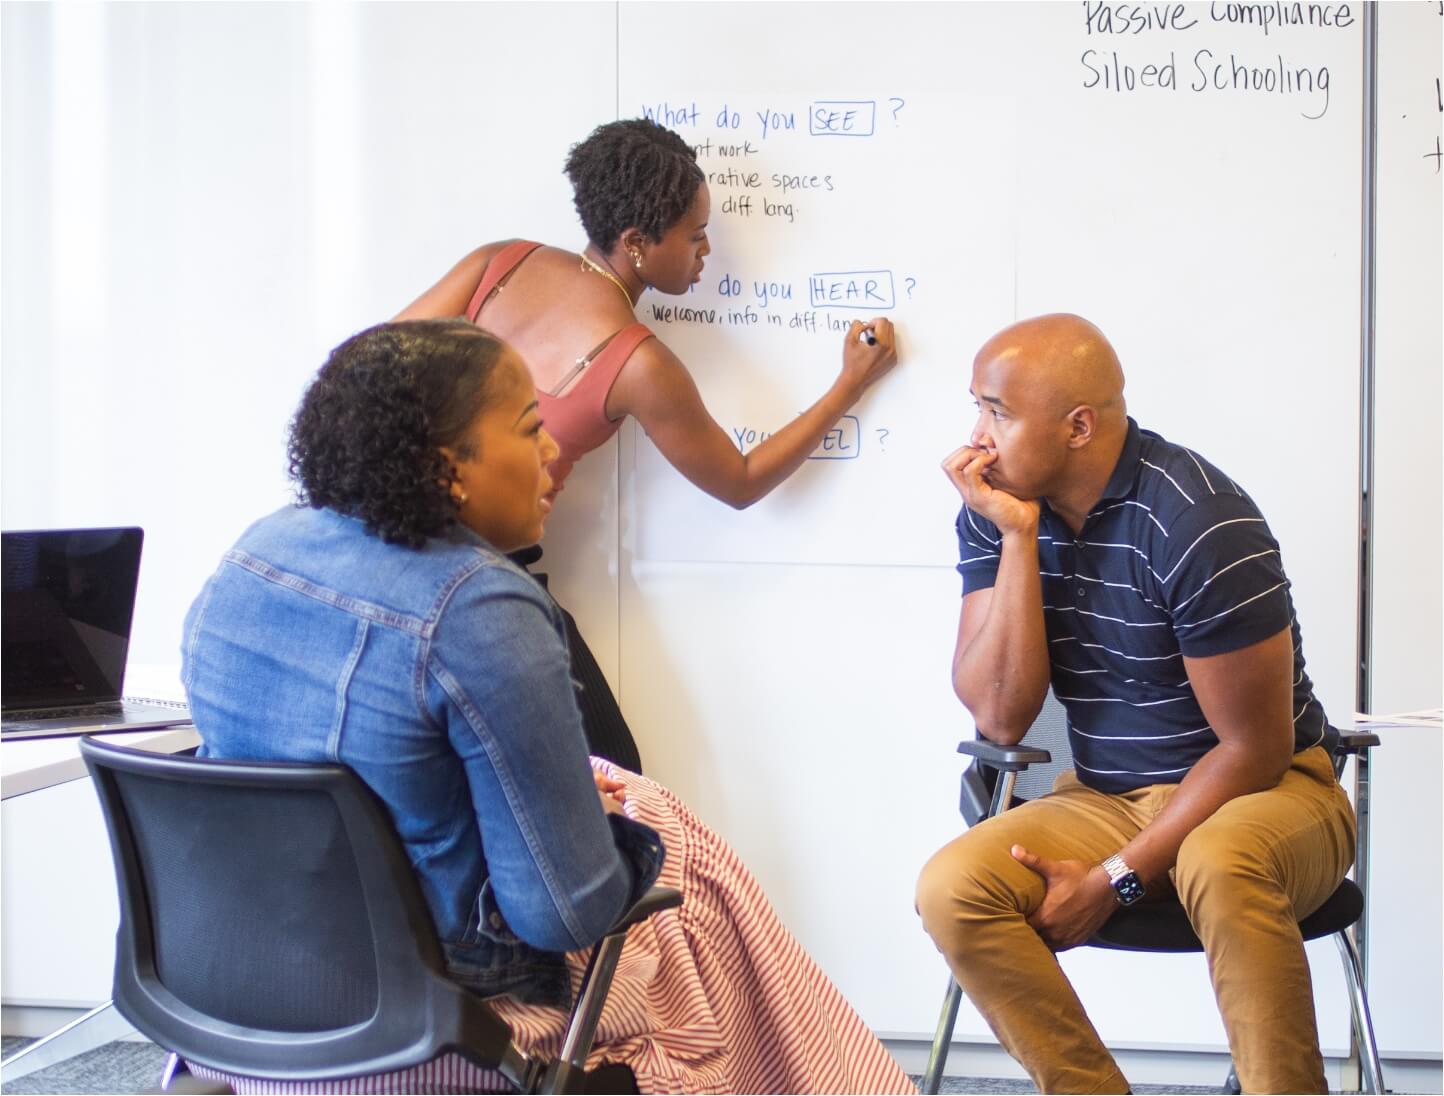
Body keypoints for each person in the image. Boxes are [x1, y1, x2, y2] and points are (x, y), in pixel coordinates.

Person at [182, 320, 915, 1096]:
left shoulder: (254, 554)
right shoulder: (477, 603)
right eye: (531, 429)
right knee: (693, 886)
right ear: (445, 468)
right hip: (427, 1009)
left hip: (244, 991)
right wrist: (601, 834)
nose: (552, 453)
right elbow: (562, 915)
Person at [914, 314, 1355, 1095]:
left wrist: (1116, 878)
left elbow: (1252, 751)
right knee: (953, 887)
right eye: (977, 408)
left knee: (1222, 859)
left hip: (1273, 790)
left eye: (998, 412)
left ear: (1078, 426)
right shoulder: (998, 507)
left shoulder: (1197, 521)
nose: (975, 439)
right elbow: (1000, 715)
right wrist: (1017, 539)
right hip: (1112, 795)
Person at [394, 118, 898, 773]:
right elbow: (739, 481)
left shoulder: (500, 262)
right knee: (617, 780)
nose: (706, 250)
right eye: (694, 235)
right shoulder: (638, 363)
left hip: (396, 561)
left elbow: (373, 365)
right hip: (490, 586)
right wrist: (848, 386)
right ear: (635, 242)